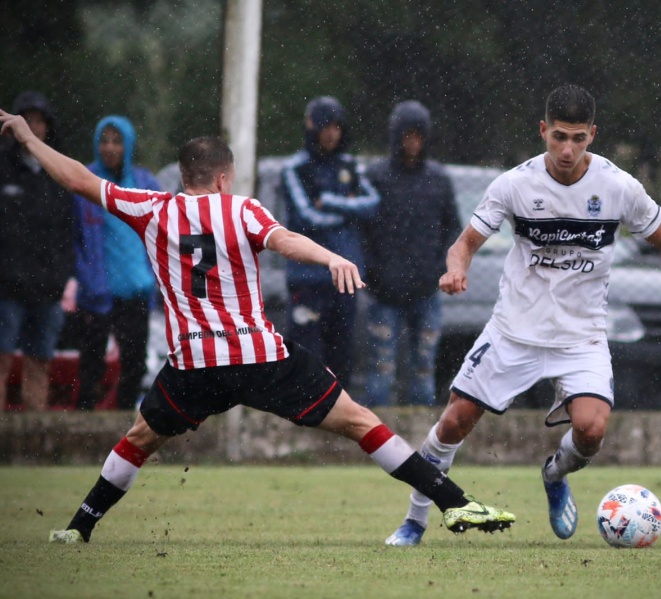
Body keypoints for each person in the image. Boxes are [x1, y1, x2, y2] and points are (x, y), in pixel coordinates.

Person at [0, 108, 515, 544]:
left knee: (139, 437)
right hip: (257, 355)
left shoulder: (153, 208)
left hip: (194, 363)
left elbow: (77, 179)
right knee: (359, 421)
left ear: (184, 176)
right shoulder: (241, 210)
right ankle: (454, 502)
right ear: (224, 177)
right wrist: (331, 256)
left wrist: (26, 136)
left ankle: (78, 527)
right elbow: (285, 238)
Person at [384, 84, 661, 546]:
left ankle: (554, 475)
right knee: (453, 422)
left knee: (591, 431)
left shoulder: (618, 187)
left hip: (581, 338)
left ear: (592, 134)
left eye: (577, 137)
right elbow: (465, 243)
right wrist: (456, 269)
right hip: (514, 332)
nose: (567, 149)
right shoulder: (515, 184)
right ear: (542, 131)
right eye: (558, 137)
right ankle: (414, 520)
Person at [361, 100, 460, 406]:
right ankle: (376, 441)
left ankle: (421, 444)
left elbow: (452, 230)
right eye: (407, 135)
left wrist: (437, 268)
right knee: (381, 370)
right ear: (396, 137)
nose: (413, 142)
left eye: (418, 135)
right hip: (384, 292)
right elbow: (361, 231)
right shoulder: (376, 177)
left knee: (423, 368)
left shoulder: (438, 180)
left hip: (425, 290)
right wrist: (373, 272)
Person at [280, 96, 379, 384]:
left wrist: (330, 201)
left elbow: (372, 204)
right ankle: (302, 408)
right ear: (312, 127)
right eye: (325, 126)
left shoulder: (350, 165)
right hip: (307, 275)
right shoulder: (295, 169)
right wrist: (349, 211)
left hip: (345, 275)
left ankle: (339, 410)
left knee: (342, 351)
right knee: (305, 349)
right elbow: (307, 216)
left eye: (337, 126)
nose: (331, 133)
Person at [70, 116, 162, 410]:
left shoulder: (145, 183)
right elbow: (73, 238)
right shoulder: (85, 182)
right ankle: (82, 426)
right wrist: (86, 278)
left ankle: (122, 422)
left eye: (117, 140)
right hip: (96, 292)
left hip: (137, 289)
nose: (110, 147)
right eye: (104, 140)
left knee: (134, 362)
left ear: (128, 145)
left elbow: (161, 234)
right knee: (91, 365)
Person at [0, 91, 75, 411]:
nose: (32, 127)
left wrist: (61, 276)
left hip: (47, 286)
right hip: (6, 285)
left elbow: (68, 231)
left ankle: (34, 440)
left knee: (39, 361)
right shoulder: (2, 167)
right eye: (27, 120)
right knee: (1, 359)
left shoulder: (56, 171)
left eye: (39, 121)